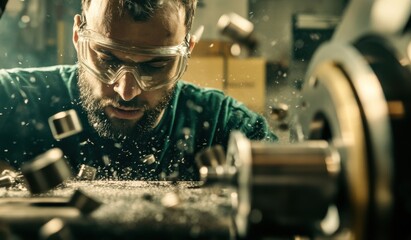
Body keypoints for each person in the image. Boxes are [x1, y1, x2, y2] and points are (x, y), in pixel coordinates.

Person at [0, 0, 277, 181]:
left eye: (155, 66)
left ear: (187, 51)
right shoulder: (14, 99)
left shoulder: (226, 129)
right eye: (108, 60)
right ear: (77, 36)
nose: (127, 91)